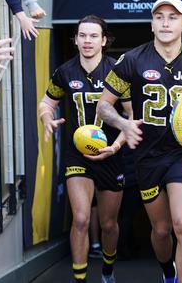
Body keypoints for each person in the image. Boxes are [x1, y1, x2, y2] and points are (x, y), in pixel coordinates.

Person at [97, 0, 182, 283]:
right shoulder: (132, 60)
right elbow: (104, 106)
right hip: (147, 156)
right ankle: (168, 271)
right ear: (152, 24)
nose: (166, 22)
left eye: (172, 17)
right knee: (161, 230)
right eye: (159, 17)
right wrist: (124, 124)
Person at [38, 15, 131, 283]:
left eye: (93, 36)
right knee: (80, 218)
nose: (87, 41)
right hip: (78, 155)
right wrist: (46, 116)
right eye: (82, 36)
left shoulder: (117, 72)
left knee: (108, 224)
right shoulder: (65, 72)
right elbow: (46, 102)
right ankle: (79, 279)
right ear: (76, 39)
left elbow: (131, 116)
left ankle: (107, 270)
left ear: (103, 40)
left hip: (111, 154)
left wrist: (114, 147)